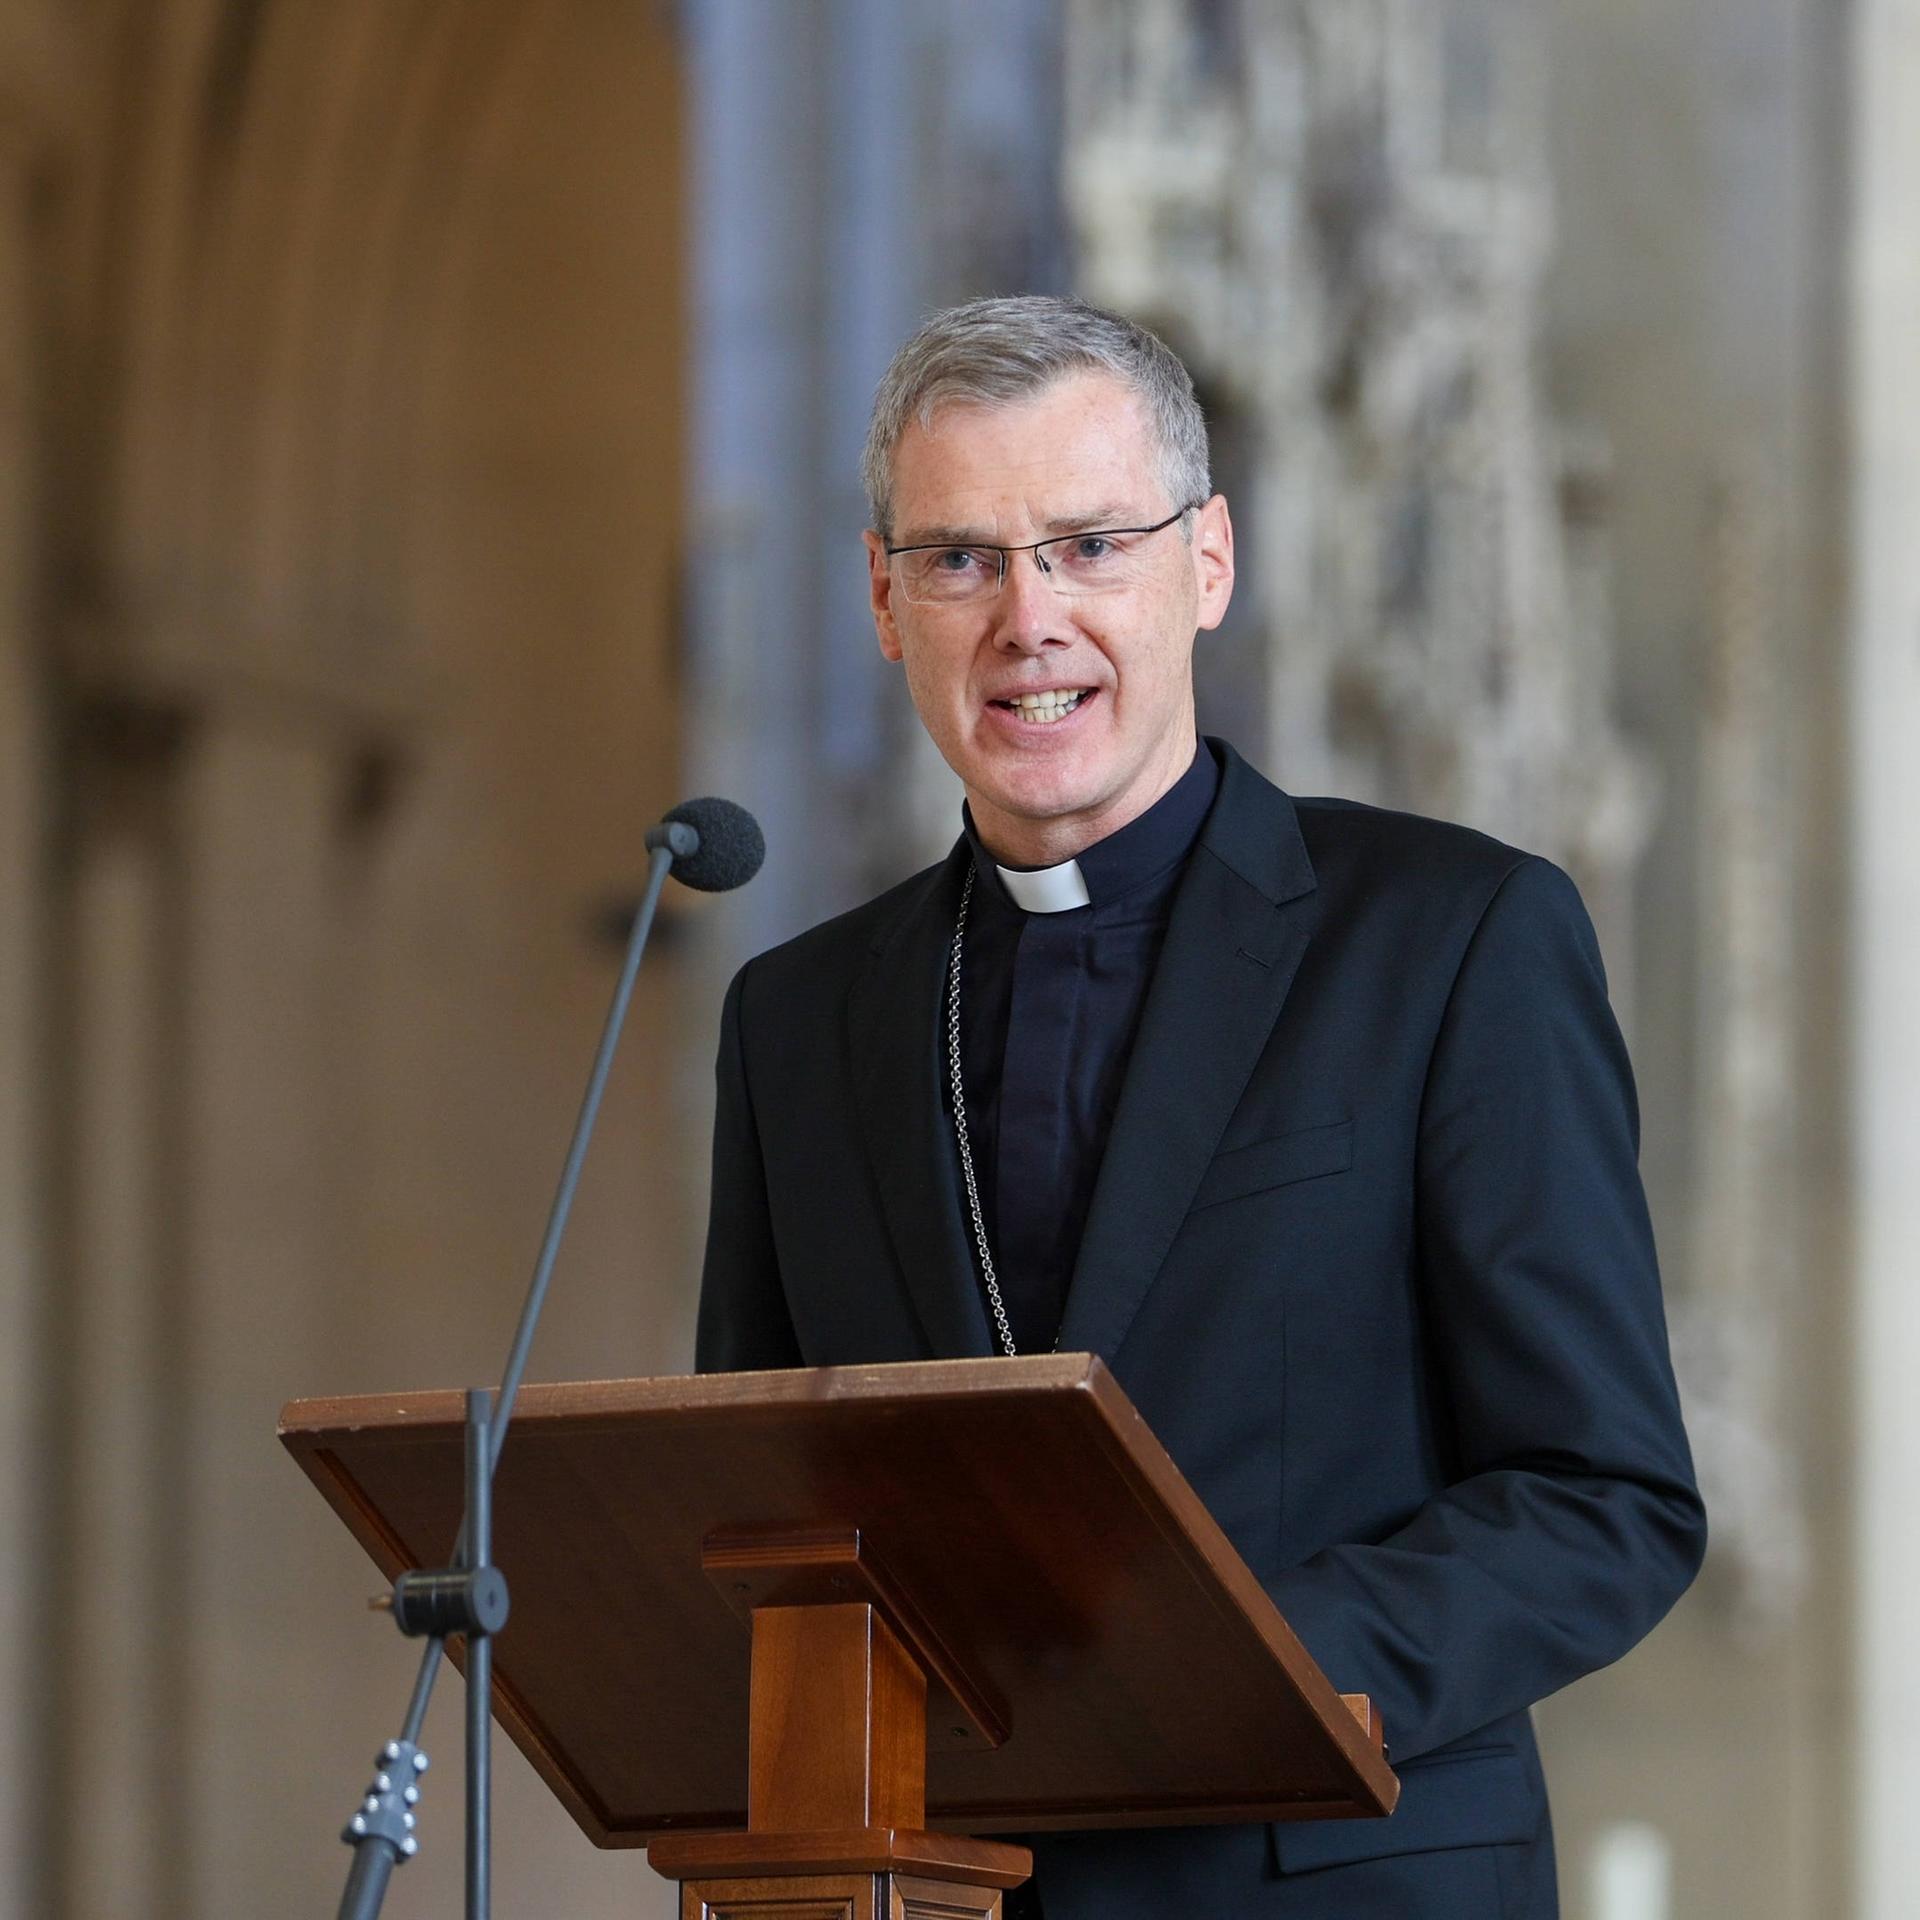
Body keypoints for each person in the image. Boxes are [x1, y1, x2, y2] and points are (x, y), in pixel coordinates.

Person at [695, 294, 1705, 1920]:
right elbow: (768, 1520)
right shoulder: (799, 1021)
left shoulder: (1450, 938)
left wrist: (1250, 1667)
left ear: (1208, 565)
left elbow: (1607, 1497)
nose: (1030, 617)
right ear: (885, 602)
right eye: (962, 559)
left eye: (1093, 544)